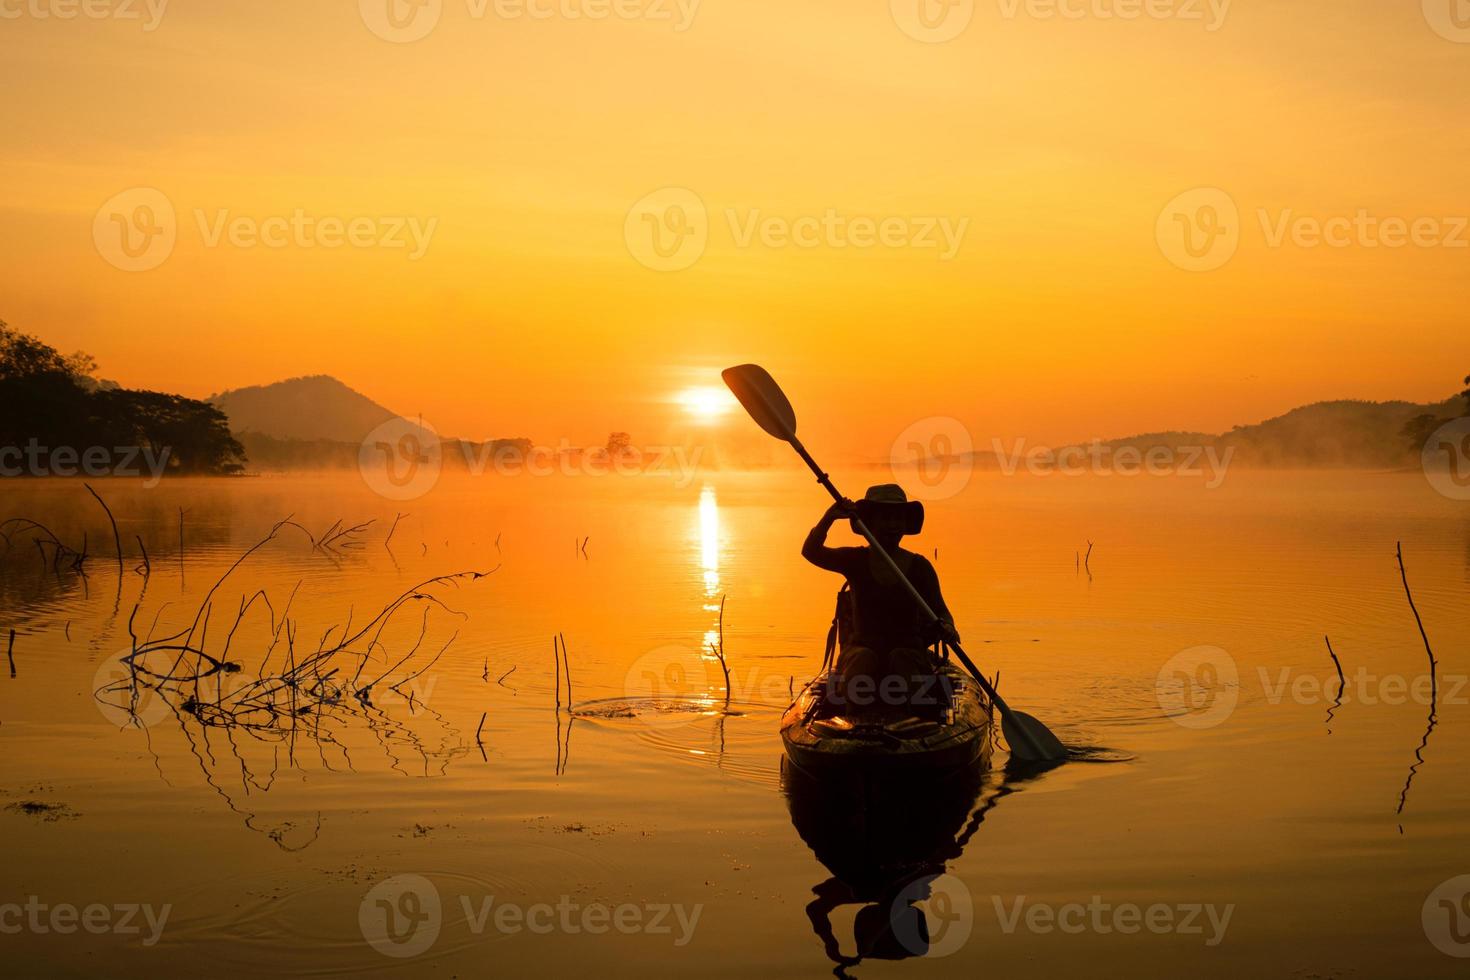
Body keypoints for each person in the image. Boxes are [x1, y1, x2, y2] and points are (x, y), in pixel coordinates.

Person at [801, 484, 958, 713]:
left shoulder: (919, 566)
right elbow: (811, 552)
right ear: (870, 522)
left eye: (898, 518)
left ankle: (912, 724)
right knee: (863, 660)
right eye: (885, 518)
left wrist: (948, 627)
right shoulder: (855, 559)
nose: (893, 526)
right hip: (862, 650)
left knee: (902, 659)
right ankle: (855, 724)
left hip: (908, 652)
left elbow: (941, 611)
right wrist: (829, 518)